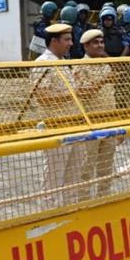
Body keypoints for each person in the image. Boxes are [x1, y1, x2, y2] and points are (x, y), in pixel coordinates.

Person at [34, 24, 79, 204]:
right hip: (56, 126)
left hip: (73, 124)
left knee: (73, 175)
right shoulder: (43, 64)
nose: (71, 43)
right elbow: (42, 97)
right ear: (54, 41)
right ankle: (48, 211)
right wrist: (73, 94)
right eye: (67, 39)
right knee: (54, 176)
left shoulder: (62, 62)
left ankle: (71, 209)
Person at [73, 29, 117, 198]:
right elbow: (82, 92)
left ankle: (104, 198)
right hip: (90, 124)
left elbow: (111, 96)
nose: (100, 46)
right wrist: (104, 81)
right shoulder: (80, 67)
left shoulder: (106, 65)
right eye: (95, 43)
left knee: (106, 166)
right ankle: (84, 199)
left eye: (101, 42)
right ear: (86, 46)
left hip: (109, 122)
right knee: (86, 166)